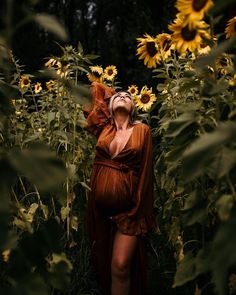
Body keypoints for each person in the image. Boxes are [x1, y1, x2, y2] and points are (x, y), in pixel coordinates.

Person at [83, 82, 156, 295]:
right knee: (103, 263)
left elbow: (146, 173)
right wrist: (112, 93)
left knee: (120, 265)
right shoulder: (103, 128)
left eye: (128, 96)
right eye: (118, 95)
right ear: (110, 104)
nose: (124, 95)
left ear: (134, 108)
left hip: (129, 210)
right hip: (100, 210)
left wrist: (137, 210)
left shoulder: (142, 130)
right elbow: (95, 89)